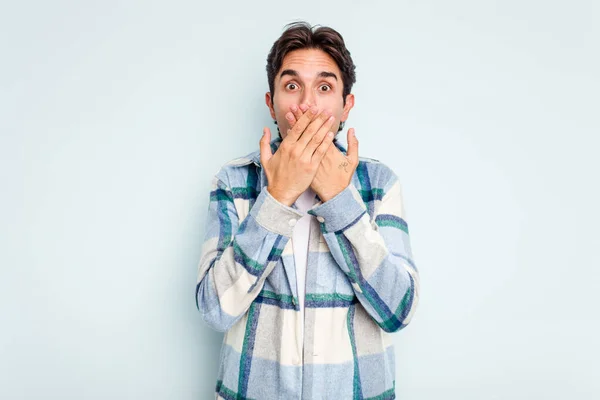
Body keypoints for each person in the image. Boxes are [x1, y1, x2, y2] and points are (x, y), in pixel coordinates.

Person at [195, 21, 420, 399]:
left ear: (346, 105)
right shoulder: (233, 181)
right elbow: (214, 310)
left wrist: (339, 201)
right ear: (271, 102)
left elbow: (398, 310)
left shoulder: (380, 183)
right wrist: (277, 198)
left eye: (325, 87)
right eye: (292, 85)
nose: (307, 105)